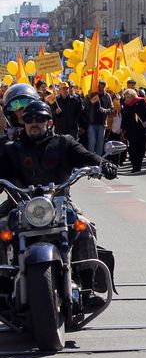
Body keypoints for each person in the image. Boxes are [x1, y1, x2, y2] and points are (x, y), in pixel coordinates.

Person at [0, 100, 117, 303]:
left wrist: (104, 164)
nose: (34, 123)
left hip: (60, 203)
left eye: (40, 119)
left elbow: (86, 156)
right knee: (1, 229)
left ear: (50, 122)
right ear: (23, 123)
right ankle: (3, 289)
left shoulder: (64, 143)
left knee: (85, 227)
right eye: (29, 119)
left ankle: (87, 288)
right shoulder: (13, 149)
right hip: (20, 204)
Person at [120, 88, 146, 172]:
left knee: (141, 147)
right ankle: (135, 166)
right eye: (126, 97)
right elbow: (124, 118)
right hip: (130, 129)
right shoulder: (125, 105)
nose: (127, 99)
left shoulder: (141, 102)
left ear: (133, 96)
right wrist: (122, 127)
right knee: (132, 148)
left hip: (141, 129)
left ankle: (138, 164)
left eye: (129, 97)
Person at [84, 80, 113, 156]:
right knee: (92, 143)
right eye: (99, 86)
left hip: (102, 124)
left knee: (100, 143)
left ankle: (98, 160)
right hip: (92, 123)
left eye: (102, 86)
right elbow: (84, 104)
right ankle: (91, 160)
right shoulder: (92, 94)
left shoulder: (107, 96)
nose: (100, 87)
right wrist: (88, 96)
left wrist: (105, 110)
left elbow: (111, 109)